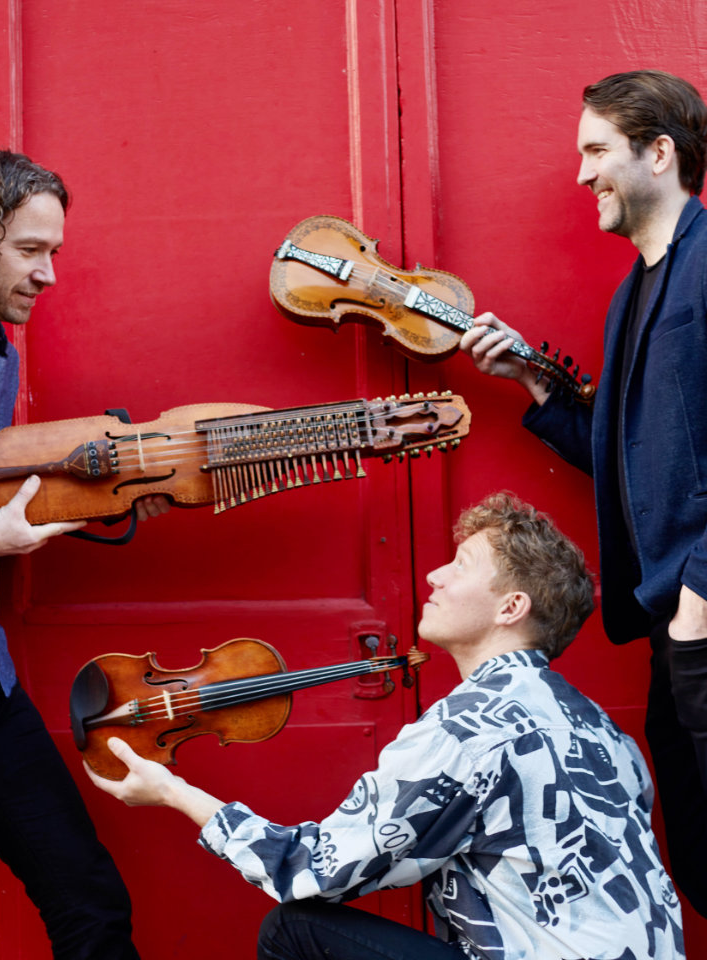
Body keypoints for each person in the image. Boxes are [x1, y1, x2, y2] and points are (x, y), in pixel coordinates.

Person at [85, 492, 684, 960]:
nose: (434, 577)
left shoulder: (470, 726)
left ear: (510, 608)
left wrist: (173, 793)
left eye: (461, 565)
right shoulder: (604, 731)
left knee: (295, 931)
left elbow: (312, 873)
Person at [0, 147, 169, 957]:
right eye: (31, 250)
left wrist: (114, 494)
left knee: (87, 898)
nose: (49, 274)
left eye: (54, 250)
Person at [459, 69, 707, 917]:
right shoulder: (633, 293)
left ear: (660, 153)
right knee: (704, 866)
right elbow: (638, 459)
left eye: (596, 151)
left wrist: (701, 599)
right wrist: (536, 387)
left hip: (700, 619)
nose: (580, 175)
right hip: (673, 636)